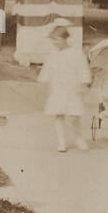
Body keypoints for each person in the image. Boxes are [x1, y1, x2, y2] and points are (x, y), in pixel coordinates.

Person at [39, 22, 91, 152]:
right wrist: (43, 80)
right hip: (58, 88)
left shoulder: (76, 53)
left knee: (74, 116)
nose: (54, 43)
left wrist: (84, 83)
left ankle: (78, 138)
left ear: (63, 39)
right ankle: (61, 141)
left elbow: (83, 69)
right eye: (52, 40)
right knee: (59, 114)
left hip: (73, 88)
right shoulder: (53, 55)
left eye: (56, 40)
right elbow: (47, 70)